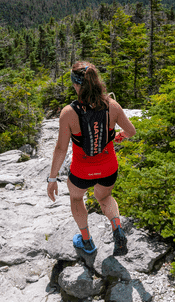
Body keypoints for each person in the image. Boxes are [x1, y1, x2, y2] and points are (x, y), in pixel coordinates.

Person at [47, 61, 137, 256]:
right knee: (104, 196)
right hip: (108, 168)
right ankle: (117, 229)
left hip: (82, 171)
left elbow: (61, 148)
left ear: (76, 84)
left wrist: (52, 178)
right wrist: (119, 136)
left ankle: (86, 241)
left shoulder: (69, 113)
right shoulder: (112, 106)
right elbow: (131, 131)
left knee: (77, 198)